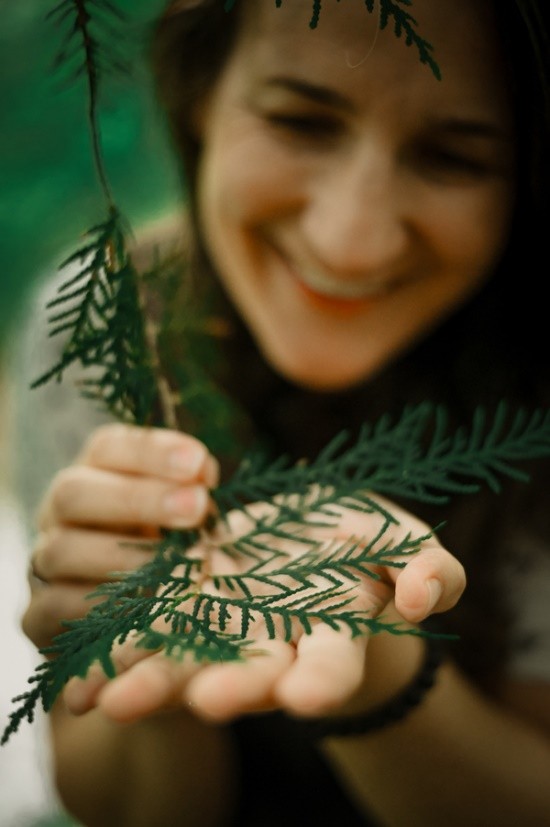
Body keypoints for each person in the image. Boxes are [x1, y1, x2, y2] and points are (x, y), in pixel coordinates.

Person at [17, 0, 550, 825]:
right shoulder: (105, 328)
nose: (350, 239)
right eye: (302, 121)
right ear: (198, 96)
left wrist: (380, 667)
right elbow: (111, 800)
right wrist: (151, 656)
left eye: (452, 158)